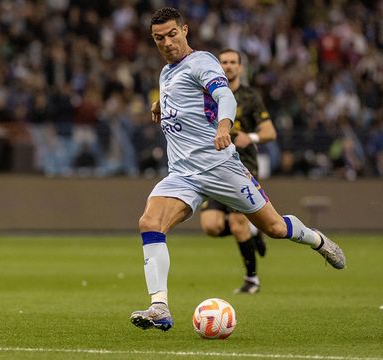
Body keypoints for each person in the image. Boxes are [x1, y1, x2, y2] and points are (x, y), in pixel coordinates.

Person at [130, 7, 345, 332]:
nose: (167, 42)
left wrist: (224, 126)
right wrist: (162, 104)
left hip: (222, 168)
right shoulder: (166, 73)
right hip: (183, 175)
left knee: (273, 227)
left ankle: (316, 240)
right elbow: (182, 99)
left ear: (185, 30)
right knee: (149, 221)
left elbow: (224, 96)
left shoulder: (201, 62)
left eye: (172, 34)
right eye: (159, 38)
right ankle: (159, 306)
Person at [199, 49, 277, 295]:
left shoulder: (251, 96)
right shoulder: (206, 94)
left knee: (236, 220)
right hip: (213, 165)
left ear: (241, 68)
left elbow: (270, 133)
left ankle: (251, 279)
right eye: (224, 62)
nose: (229, 66)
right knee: (210, 226)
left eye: (233, 62)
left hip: (242, 166)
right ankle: (252, 231)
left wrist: (250, 136)